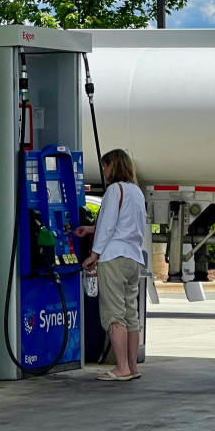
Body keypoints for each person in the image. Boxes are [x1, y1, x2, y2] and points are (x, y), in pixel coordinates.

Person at [75, 149, 146, 381]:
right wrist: (91, 229)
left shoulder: (115, 190)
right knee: (130, 314)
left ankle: (121, 368)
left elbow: (107, 225)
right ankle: (133, 367)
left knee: (114, 315)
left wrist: (93, 255)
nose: (103, 171)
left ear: (112, 166)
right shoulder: (136, 191)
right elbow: (125, 224)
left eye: (105, 166)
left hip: (113, 258)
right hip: (133, 258)